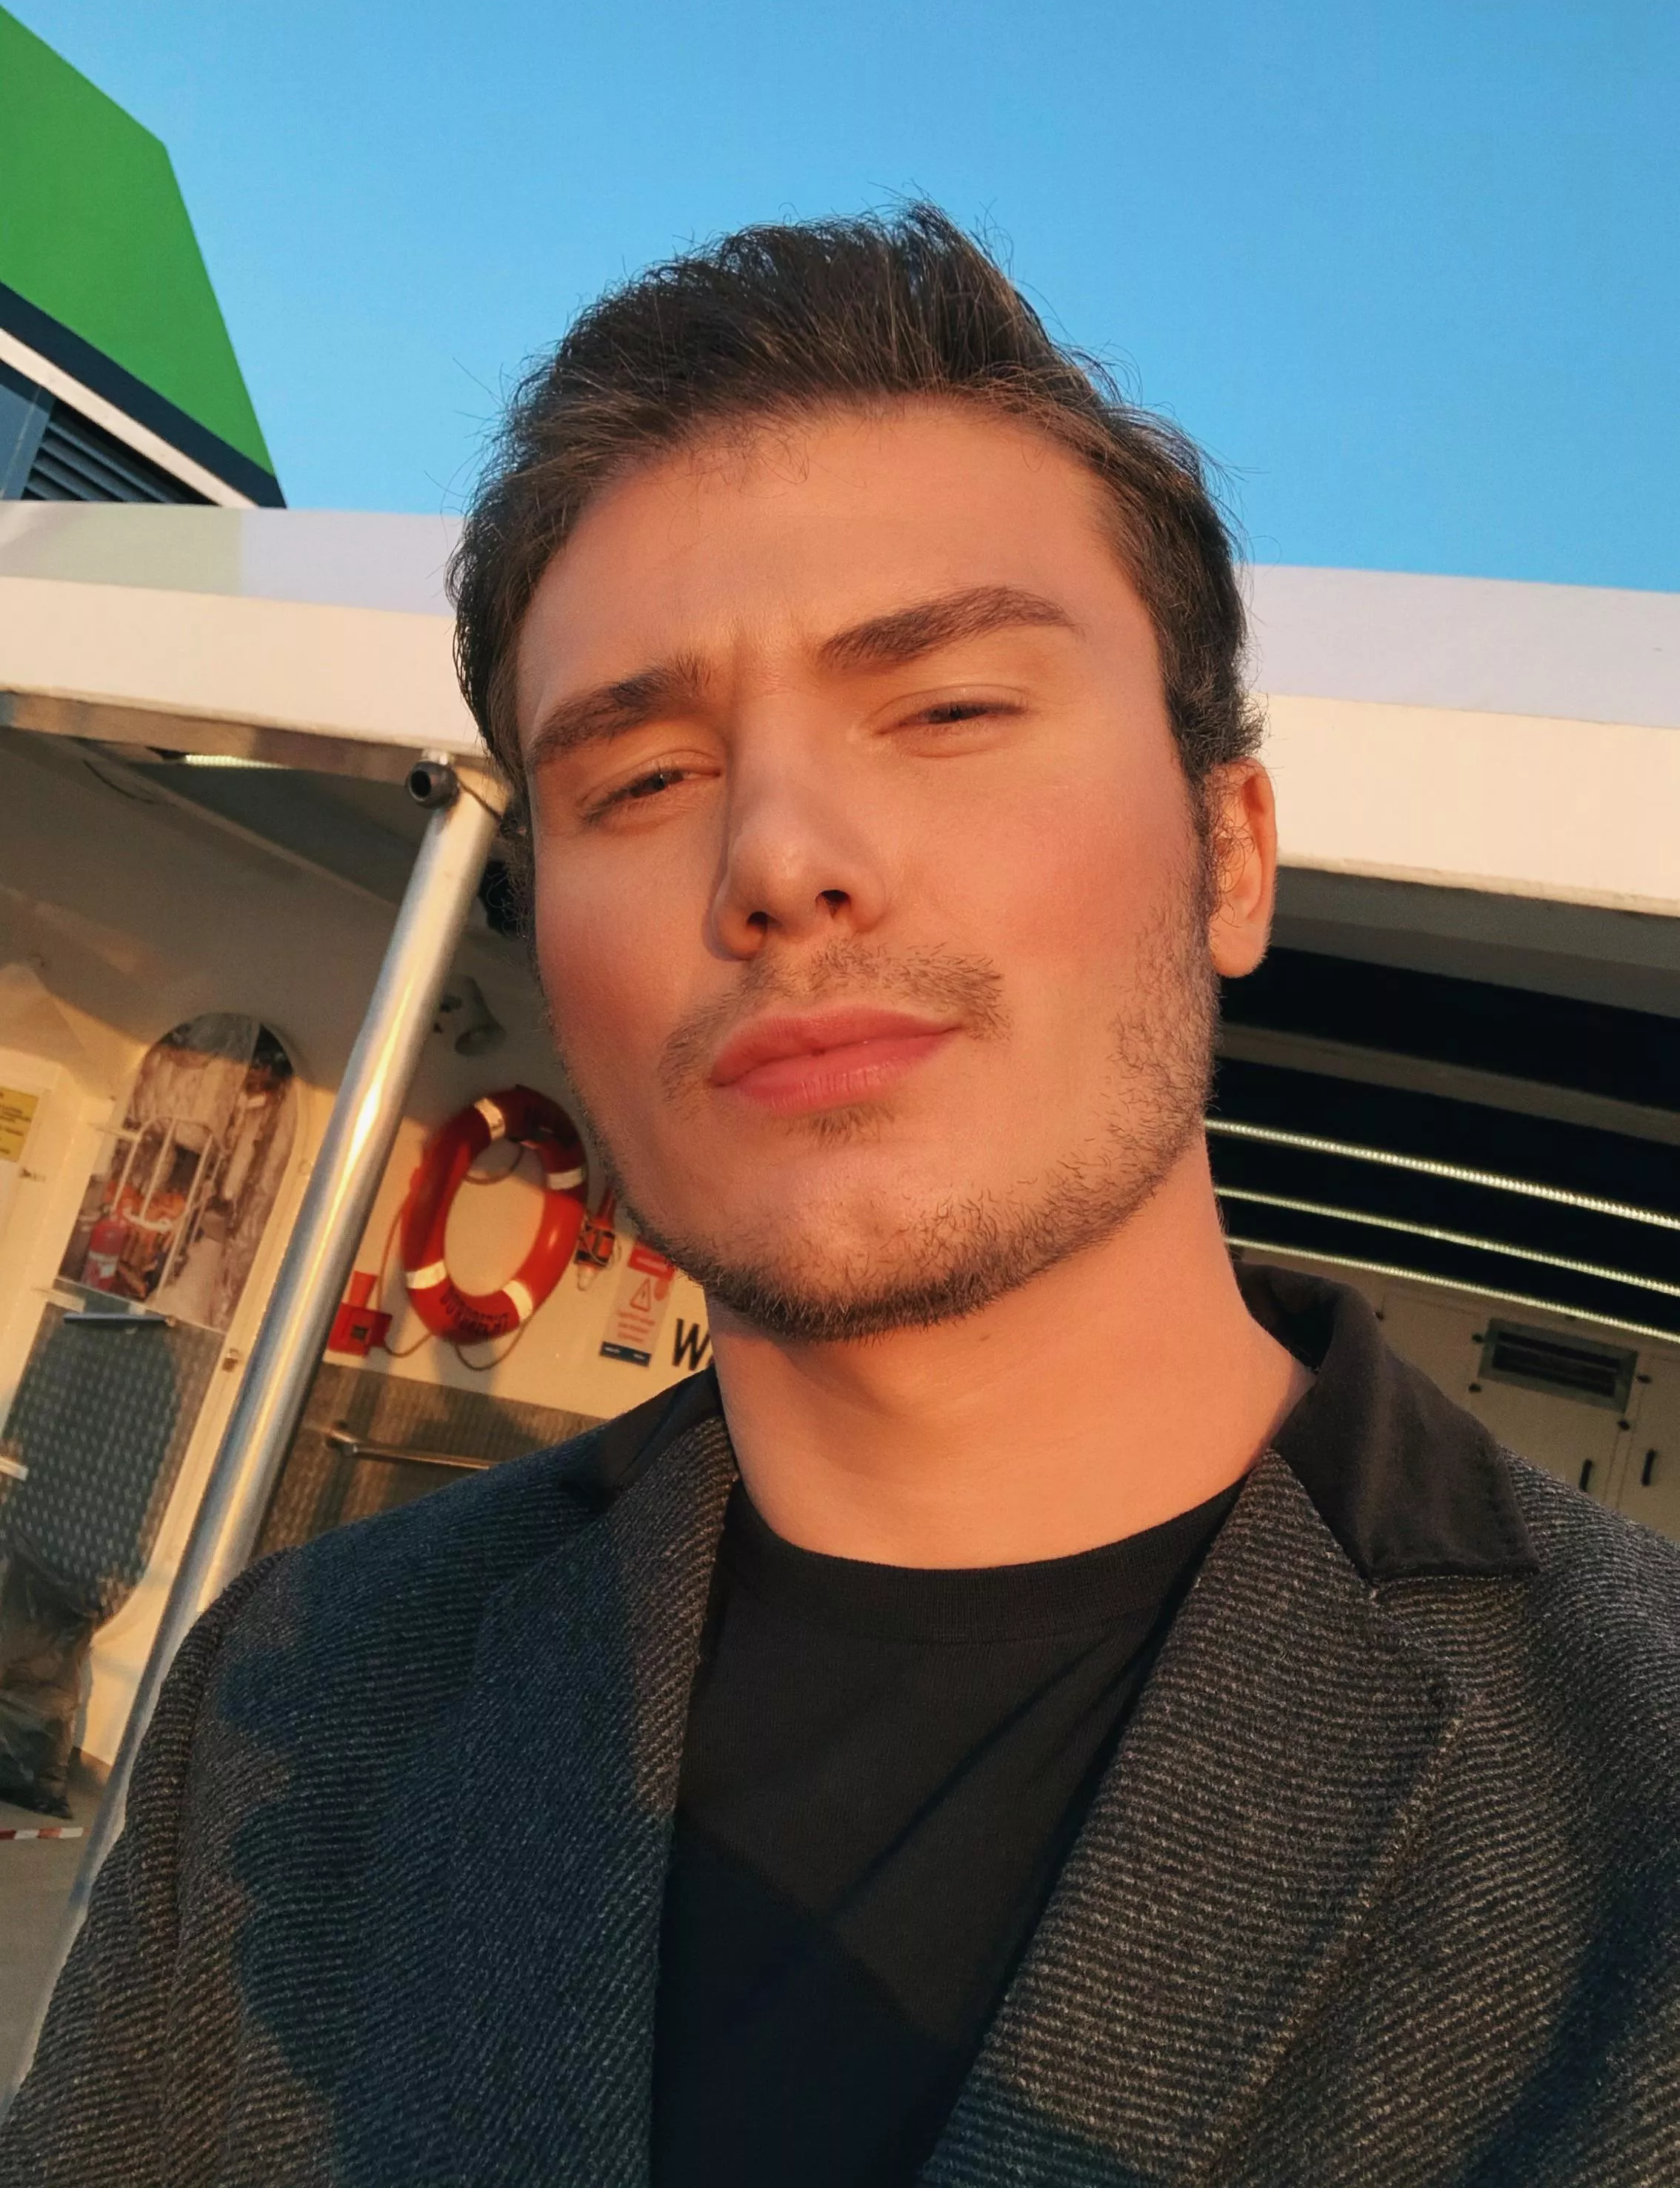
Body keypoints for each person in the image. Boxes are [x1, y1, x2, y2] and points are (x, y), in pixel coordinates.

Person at [5, 206, 1676, 2188]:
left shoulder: (1630, 1793)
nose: (779, 859)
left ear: (1228, 852)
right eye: (639, 780)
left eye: (948, 708)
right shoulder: (308, 1687)